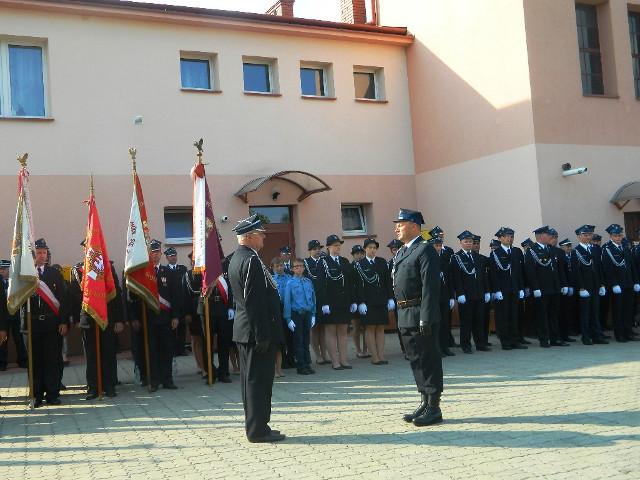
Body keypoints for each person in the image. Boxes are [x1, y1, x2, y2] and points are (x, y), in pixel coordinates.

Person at [228, 214, 285, 443]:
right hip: (255, 333)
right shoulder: (250, 260)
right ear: (250, 236)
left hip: (247, 331)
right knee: (257, 382)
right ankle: (257, 430)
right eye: (260, 234)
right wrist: (262, 335)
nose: (264, 238)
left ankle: (260, 425)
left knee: (254, 381)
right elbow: (254, 302)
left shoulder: (239, 257)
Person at [392, 209, 443, 427]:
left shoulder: (425, 249)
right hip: (404, 313)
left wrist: (426, 317)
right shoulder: (402, 251)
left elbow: (430, 287)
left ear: (414, 226)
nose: (396, 227)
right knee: (415, 360)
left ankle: (434, 407)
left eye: (401, 224)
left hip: (419, 312)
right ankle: (424, 401)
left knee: (428, 360)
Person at [70, 240, 125, 399]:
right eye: (87, 248)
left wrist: (119, 319)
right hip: (87, 318)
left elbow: (116, 293)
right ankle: (93, 387)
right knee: (91, 355)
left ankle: (109, 386)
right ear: (84, 250)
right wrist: (76, 319)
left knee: (108, 352)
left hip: (106, 317)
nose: (89, 250)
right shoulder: (77, 270)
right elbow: (73, 296)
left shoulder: (107, 268)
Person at [30, 238, 69, 407]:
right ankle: (36, 395)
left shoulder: (54, 273)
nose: (41, 255)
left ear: (47, 255)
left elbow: (63, 299)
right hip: (33, 324)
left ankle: (52, 394)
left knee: (52, 359)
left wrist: (63, 321)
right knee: (36, 361)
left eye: (44, 253)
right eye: (38, 252)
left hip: (52, 323)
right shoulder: (28, 274)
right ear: (34, 255)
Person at [141, 239, 182, 391]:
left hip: (166, 318)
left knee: (167, 349)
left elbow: (176, 296)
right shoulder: (143, 273)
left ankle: (167, 379)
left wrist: (175, 316)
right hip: (149, 318)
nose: (155, 255)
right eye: (152, 252)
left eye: (157, 252)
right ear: (149, 254)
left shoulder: (169, 272)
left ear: (160, 254)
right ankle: (154, 380)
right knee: (152, 350)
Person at [315, 234, 357, 370]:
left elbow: (350, 282)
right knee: (331, 331)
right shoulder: (323, 262)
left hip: (344, 301)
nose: (338, 247)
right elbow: (320, 284)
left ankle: (344, 360)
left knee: (343, 331)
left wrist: (353, 300)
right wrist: (324, 303)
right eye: (335, 245)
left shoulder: (344, 261)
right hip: (330, 302)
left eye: (339, 245)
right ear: (328, 247)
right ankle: (335, 361)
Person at [524, 226, 569, 348]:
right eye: (548, 235)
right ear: (540, 236)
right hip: (542, 289)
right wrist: (535, 287)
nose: (550, 237)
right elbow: (530, 271)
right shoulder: (532, 251)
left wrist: (563, 284)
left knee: (554, 314)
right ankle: (544, 339)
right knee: (542, 315)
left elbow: (558, 269)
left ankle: (555, 338)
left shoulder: (551, 249)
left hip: (554, 287)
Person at [354, 238, 394, 365]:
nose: (372, 250)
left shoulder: (382, 262)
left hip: (381, 300)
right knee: (370, 328)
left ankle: (381, 355)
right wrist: (361, 302)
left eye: (374, 248)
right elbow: (358, 285)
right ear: (365, 249)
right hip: (368, 302)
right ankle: (374, 356)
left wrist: (390, 298)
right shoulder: (359, 264)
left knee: (381, 328)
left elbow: (387, 281)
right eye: (370, 247)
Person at [451, 231, 490, 353]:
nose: (469, 243)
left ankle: (480, 344)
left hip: (479, 293)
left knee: (479, 320)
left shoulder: (477, 257)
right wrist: (460, 293)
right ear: (461, 242)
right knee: (466, 321)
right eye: (466, 241)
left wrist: (487, 291)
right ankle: (466, 345)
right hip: (466, 295)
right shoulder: (456, 257)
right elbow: (456, 277)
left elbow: (483, 276)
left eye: (470, 241)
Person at [601, 224, 640, 342]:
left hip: (628, 283)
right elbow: (607, 269)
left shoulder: (625, 247)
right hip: (618, 285)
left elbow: (632, 266)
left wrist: (636, 281)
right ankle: (620, 334)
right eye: (616, 235)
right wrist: (613, 284)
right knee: (618, 310)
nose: (618, 238)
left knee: (628, 309)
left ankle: (628, 332)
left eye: (620, 235)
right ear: (611, 236)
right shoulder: (607, 249)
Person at [489, 228, 527, 351]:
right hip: (503, 290)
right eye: (506, 236)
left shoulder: (516, 252)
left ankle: (515, 340)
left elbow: (519, 272)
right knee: (503, 316)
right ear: (500, 238)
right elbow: (494, 274)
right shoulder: (495, 253)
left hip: (515, 288)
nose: (509, 239)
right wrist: (497, 290)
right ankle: (505, 341)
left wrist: (521, 288)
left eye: (511, 236)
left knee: (514, 315)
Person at [570, 225, 608, 345]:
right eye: (585, 235)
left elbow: (599, 268)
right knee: (585, 313)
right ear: (579, 236)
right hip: (585, 287)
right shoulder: (576, 251)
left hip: (595, 285)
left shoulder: (595, 249)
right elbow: (576, 271)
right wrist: (581, 287)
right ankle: (586, 337)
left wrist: (602, 284)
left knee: (595, 312)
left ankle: (597, 336)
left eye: (589, 234)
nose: (588, 237)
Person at [283, 258, 316, 375]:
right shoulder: (290, 283)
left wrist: (313, 314)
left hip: (307, 314)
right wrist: (288, 319)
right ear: (292, 269)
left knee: (306, 340)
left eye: (301, 266)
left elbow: (313, 298)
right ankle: (300, 365)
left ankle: (307, 363)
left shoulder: (308, 282)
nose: (299, 268)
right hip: (296, 314)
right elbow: (287, 302)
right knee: (298, 340)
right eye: (296, 267)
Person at [304, 240, 331, 365]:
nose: (318, 251)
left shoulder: (324, 261)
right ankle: (318, 355)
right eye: (314, 249)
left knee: (324, 328)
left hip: (324, 298)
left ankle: (325, 354)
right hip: (311, 299)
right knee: (314, 329)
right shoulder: (306, 263)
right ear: (309, 251)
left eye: (319, 248)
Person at [429, 238, 455, 357]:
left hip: (444, 295)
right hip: (433, 296)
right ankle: (436, 348)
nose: (438, 248)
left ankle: (445, 347)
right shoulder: (427, 260)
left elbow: (449, 279)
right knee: (435, 324)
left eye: (440, 246)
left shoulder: (445, 259)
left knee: (445, 323)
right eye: (436, 246)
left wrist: (451, 296)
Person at [0, 259, 27, 370]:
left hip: (16, 314)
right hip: (3, 316)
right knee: (3, 340)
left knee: (19, 339)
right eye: (0, 269)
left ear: (10, 270)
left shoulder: (15, 282)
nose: (1, 271)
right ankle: (2, 362)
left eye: (3, 269)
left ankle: (23, 360)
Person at [164, 247, 188, 356]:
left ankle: (181, 349)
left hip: (182, 303)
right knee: (172, 328)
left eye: (174, 255)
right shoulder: (164, 270)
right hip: (171, 304)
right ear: (167, 258)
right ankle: (173, 350)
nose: (173, 258)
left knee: (182, 327)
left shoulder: (183, 269)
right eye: (171, 256)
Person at [183, 252, 205, 375]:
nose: (194, 262)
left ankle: (206, 364)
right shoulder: (188, 275)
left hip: (206, 309)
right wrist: (187, 313)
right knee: (196, 338)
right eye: (193, 260)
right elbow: (185, 295)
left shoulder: (205, 272)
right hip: (193, 310)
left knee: (205, 338)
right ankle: (200, 365)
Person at [271, 257, 291, 377]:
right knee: (280, 338)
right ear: (273, 268)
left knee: (289, 336)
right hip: (277, 310)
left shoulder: (289, 278)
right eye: (277, 266)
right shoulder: (271, 279)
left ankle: (289, 359)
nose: (280, 268)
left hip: (288, 309)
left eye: (281, 265)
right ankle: (280, 364)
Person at [350, 244, 368, 359]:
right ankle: (358, 350)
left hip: (366, 300)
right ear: (353, 255)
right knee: (356, 326)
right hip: (355, 301)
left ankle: (366, 349)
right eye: (357, 253)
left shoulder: (367, 265)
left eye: (362, 253)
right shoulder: (350, 267)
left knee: (366, 326)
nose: (360, 255)